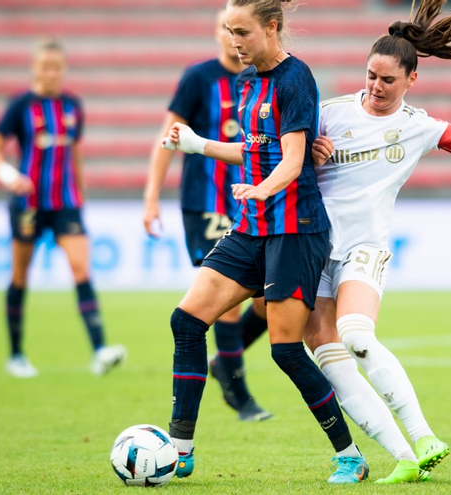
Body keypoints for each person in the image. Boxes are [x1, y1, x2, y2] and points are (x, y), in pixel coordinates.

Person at [167, 0, 451, 484]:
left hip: (361, 246)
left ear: (411, 81)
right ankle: (400, 457)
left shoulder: (421, 127)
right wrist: (304, 155)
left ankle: (424, 436)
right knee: (327, 357)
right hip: (316, 246)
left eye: (387, 80)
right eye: (370, 76)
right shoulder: (331, 114)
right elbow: (282, 151)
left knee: (357, 336)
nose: (375, 87)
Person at [161, 0, 369, 484]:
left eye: (242, 31)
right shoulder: (246, 80)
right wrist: (197, 144)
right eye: (229, 31)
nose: (234, 41)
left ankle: (350, 456)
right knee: (186, 321)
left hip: (296, 229)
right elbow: (256, 148)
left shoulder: (296, 79)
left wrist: (263, 188)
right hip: (253, 225)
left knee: (286, 350)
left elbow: (294, 159)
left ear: (271, 28)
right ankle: (179, 450)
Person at [143, 7, 272, 422]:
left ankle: (223, 364)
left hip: (255, 202)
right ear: (217, 33)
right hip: (206, 203)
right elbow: (168, 139)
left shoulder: (261, 78)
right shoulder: (199, 79)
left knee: (271, 302)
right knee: (227, 302)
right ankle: (240, 395)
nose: (231, 36)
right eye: (225, 28)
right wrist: (151, 198)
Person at [0, 37, 126, 378]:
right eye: (45, 67)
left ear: (64, 70)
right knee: (20, 276)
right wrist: (6, 173)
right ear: (35, 68)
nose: (51, 73)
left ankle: (100, 350)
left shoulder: (73, 105)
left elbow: (74, 153)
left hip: (66, 203)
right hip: (28, 202)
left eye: (57, 67)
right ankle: (16, 355)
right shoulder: (21, 106)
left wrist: (81, 193)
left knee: (81, 270)